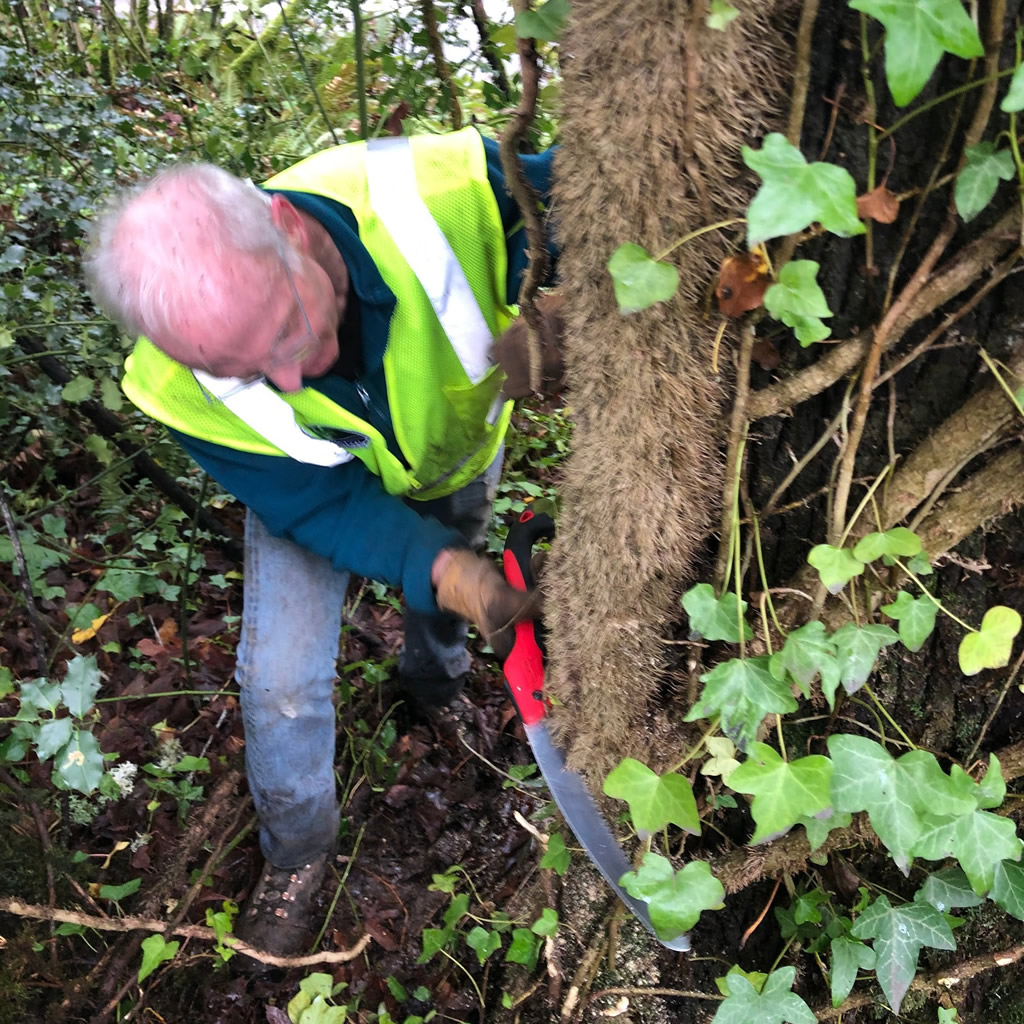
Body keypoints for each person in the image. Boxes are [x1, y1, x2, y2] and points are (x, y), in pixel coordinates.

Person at [84, 127, 563, 956]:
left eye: (286, 329)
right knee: (280, 684)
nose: (291, 380)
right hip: (319, 484)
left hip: (453, 452)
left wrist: (568, 317)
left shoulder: (448, 194)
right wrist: (437, 566)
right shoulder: (176, 379)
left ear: (289, 227)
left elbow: (617, 198)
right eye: (248, 369)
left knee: (451, 602)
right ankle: (299, 852)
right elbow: (316, 502)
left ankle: (435, 690)